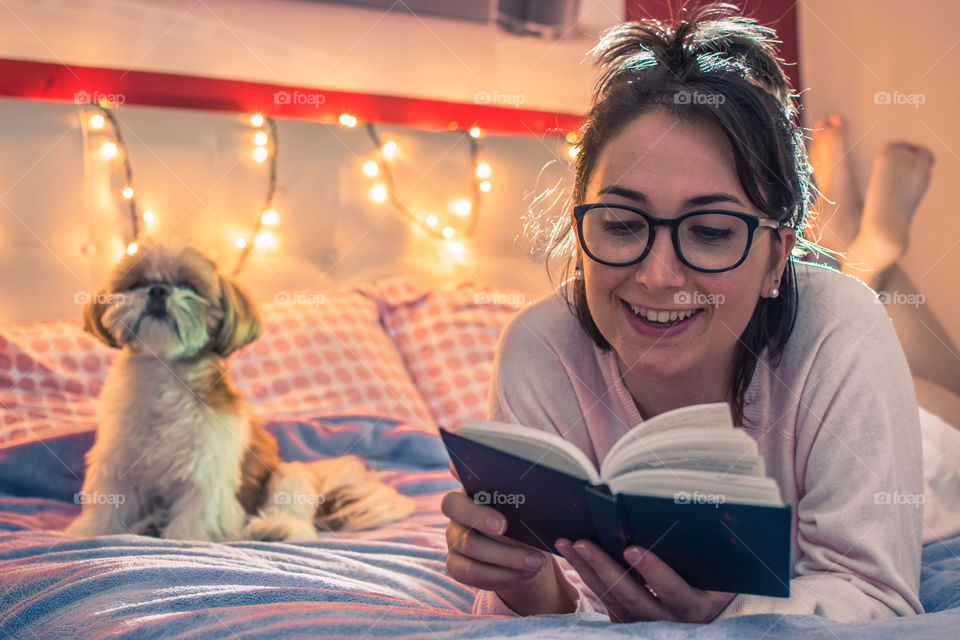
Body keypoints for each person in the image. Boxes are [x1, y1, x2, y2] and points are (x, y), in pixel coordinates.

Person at [442, 5, 926, 623]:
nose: (658, 276)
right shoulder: (541, 348)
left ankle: (868, 240)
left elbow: (878, 595)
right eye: (620, 224)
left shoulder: (842, 330)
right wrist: (528, 586)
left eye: (711, 231)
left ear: (777, 258)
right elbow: (533, 611)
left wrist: (729, 611)